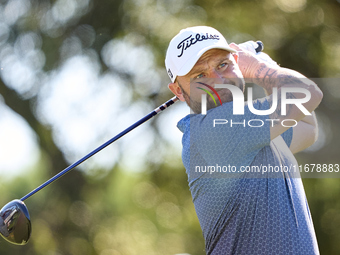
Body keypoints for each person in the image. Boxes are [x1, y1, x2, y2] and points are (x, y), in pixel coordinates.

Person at [165, 26, 323, 255]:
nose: (218, 80)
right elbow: (307, 94)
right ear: (178, 91)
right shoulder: (212, 131)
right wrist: (260, 68)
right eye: (200, 76)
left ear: (236, 61)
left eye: (223, 65)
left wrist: (270, 68)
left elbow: (308, 128)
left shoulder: (254, 131)